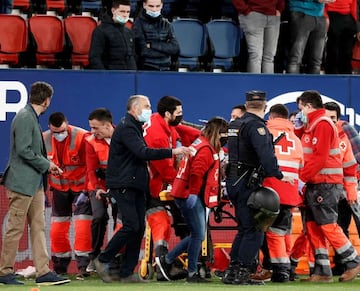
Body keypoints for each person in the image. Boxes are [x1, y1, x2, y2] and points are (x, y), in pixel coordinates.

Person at [93, 94, 190, 283]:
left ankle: (127, 272)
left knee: (137, 229)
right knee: (131, 226)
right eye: (146, 106)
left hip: (135, 184)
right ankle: (103, 259)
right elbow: (142, 152)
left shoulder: (135, 127)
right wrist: (172, 151)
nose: (149, 109)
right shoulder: (127, 127)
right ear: (134, 108)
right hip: (124, 184)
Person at [0, 81, 70, 286]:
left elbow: (29, 151)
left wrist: (47, 164)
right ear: (47, 101)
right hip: (22, 183)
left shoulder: (29, 116)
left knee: (38, 227)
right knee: (15, 228)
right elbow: (23, 150)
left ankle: (43, 271)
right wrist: (47, 165)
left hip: (34, 183)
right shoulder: (24, 117)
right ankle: (4, 271)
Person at [222, 90, 293, 285]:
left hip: (234, 180)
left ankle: (233, 271)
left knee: (244, 229)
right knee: (254, 229)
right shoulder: (257, 127)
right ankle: (243, 272)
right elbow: (266, 156)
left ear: (246, 105)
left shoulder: (236, 124)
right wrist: (278, 174)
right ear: (265, 106)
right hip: (247, 181)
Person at [297, 90, 360, 282]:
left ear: (308, 106)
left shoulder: (323, 123)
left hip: (324, 183)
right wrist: (298, 127)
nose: (300, 113)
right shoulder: (313, 124)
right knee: (313, 226)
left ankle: (353, 261)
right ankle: (323, 271)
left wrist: (302, 178)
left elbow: (321, 157)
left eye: (301, 108)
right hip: (316, 182)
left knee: (328, 224)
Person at [156, 116, 228, 283]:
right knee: (198, 235)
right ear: (218, 133)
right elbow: (196, 173)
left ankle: (167, 261)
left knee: (197, 234)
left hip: (186, 193)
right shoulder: (206, 149)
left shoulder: (200, 143)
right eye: (224, 134)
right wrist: (194, 194)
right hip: (189, 194)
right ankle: (190, 272)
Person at [253, 104, 303, 283]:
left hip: (270, 191)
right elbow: (302, 166)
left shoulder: (265, 133)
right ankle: (286, 268)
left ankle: (280, 271)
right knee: (284, 232)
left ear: (271, 116)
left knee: (272, 234)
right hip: (290, 193)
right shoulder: (296, 139)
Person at [143, 95, 188, 281]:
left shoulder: (160, 122)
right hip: (151, 187)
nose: (181, 116)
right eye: (179, 113)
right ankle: (163, 262)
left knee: (173, 220)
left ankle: (169, 260)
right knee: (162, 222)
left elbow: (181, 131)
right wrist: (184, 184)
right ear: (168, 113)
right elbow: (165, 169)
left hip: (157, 184)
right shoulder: (157, 135)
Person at [43, 112, 92, 278]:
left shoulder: (82, 136)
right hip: (59, 189)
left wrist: (87, 190)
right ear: (50, 127)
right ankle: (60, 266)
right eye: (55, 132)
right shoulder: (43, 139)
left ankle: (83, 266)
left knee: (83, 225)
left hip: (81, 189)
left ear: (67, 124)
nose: (58, 135)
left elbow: (91, 165)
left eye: (61, 131)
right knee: (57, 227)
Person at [85, 108, 123, 277]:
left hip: (119, 186)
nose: (92, 132)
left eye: (95, 128)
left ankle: (116, 259)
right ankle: (94, 256)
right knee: (99, 216)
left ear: (107, 125)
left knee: (120, 221)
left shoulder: (123, 137)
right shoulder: (90, 141)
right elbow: (91, 170)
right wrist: (97, 188)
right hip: (97, 185)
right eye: (91, 128)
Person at [323, 101, 359, 275]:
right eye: (326, 117)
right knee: (340, 226)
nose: (329, 121)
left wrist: (353, 186)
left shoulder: (346, 130)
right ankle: (342, 265)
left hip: (351, 187)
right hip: (334, 190)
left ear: (338, 118)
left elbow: (357, 157)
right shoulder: (322, 132)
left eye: (332, 118)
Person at [232, 0, 285, 73]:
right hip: (253, 14)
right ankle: (255, 84)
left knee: (269, 56)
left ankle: (267, 83)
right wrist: (245, 10)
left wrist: (279, 8)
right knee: (256, 56)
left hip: (273, 15)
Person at [132, 0, 180, 71]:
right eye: (151, 6)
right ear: (144, 5)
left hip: (166, 68)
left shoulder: (167, 24)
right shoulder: (138, 24)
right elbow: (143, 51)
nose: (154, 9)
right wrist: (166, 51)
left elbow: (175, 48)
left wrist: (152, 45)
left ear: (162, 5)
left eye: (157, 6)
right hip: (147, 68)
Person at [89, 0, 137, 70]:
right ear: (113, 10)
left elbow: (133, 56)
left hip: (129, 76)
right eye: (122, 11)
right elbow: (94, 58)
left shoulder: (129, 32)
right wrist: (104, 75)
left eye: (128, 12)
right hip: (110, 76)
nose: (125, 15)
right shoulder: (100, 31)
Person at [286, 0, 329, 74]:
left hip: (319, 15)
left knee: (316, 61)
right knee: (295, 59)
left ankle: (313, 85)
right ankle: (292, 85)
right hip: (300, 12)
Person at [324, 0, 360, 74]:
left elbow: (354, 7)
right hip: (332, 15)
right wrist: (326, 17)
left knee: (347, 51)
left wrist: (358, 28)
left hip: (348, 18)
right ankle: (331, 75)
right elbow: (323, 4)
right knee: (333, 50)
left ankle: (346, 76)